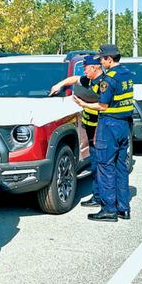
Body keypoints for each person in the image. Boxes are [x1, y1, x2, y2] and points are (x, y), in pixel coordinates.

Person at [73, 44, 133, 222]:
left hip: (109, 125)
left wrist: (83, 104)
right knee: (121, 167)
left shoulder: (110, 79)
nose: (100, 61)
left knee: (105, 166)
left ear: (109, 59)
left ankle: (109, 210)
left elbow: (102, 106)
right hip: (124, 125)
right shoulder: (127, 74)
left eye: (102, 59)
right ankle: (123, 208)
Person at [49, 54, 103, 206]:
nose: (84, 71)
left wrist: (81, 103)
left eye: (85, 68)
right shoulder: (90, 79)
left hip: (101, 128)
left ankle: (102, 198)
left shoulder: (103, 82)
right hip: (90, 127)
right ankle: (100, 196)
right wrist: (59, 85)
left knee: (101, 164)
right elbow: (74, 79)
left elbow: (104, 106)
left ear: (94, 67)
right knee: (96, 162)